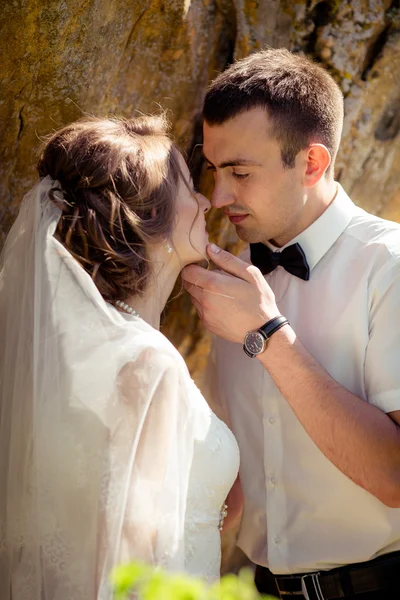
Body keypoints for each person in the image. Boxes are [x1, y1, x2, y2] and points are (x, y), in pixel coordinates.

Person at [182, 48, 400, 600]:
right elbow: (231, 479)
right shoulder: (232, 277)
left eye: (240, 172)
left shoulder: (390, 268)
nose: (218, 197)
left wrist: (270, 337)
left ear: (311, 163)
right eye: (214, 170)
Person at [0, 115, 240, 599]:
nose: (205, 202)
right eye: (190, 187)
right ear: (150, 219)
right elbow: (130, 557)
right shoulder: (145, 363)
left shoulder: (89, 351)